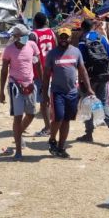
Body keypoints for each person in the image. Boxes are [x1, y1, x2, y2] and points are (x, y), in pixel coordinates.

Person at [42, 27, 92, 159]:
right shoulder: (52, 54)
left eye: (66, 37)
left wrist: (89, 88)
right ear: (58, 38)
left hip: (72, 92)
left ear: (70, 38)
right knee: (58, 117)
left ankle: (61, 147)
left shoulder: (76, 52)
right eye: (61, 37)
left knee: (66, 120)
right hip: (57, 91)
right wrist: (44, 94)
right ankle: (52, 139)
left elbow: (83, 71)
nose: (64, 39)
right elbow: (46, 75)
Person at [0, 24, 43, 160]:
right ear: (16, 37)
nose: (26, 38)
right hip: (15, 87)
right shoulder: (9, 50)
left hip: (30, 85)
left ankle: (17, 133)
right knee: (17, 117)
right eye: (23, 36)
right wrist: (1, 91)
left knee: (30, 114)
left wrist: (41, 83)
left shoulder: (32, 46)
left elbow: (37, 64)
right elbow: (4, 70)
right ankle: (18, 150)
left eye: (26, 36)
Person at [75, 19, 109, 145]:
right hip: (104, 75)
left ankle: (89, 134)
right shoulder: (102, 38)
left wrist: (81, 81)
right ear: (93, 27)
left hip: (90, 78)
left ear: (82, 28)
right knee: (103, 102)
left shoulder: (83, 41)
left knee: (87, 103)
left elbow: (81, 65)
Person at [30, 12, 56, 137]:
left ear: (35, 22)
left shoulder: (33, 35)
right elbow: (56, 49)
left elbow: (32, 57)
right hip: (51, 70)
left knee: (43, 101)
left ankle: (48, 128)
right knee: (48, 99)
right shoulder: (51, 32)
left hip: (39, 72)